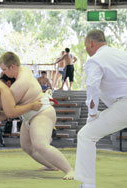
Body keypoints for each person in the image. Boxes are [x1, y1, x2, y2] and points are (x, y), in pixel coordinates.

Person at [0, 51, 74, 180]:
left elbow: (8, 109)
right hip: (29, 115)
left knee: (40, 145)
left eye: (4, 69)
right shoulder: (24, 70)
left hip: (41, 112)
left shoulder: (20, 83)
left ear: (12, 67)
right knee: (27, 146)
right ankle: (51, 165)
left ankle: (69, 170)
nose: (3, 73)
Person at [74, 30, 127, 188]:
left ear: (91, 43)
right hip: (121, 104)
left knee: (86, 135)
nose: (86, 50)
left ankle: (88, 184)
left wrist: (92, 115)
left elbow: (93, 89)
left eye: (86, 46)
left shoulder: (95, 60)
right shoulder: (121, 54)